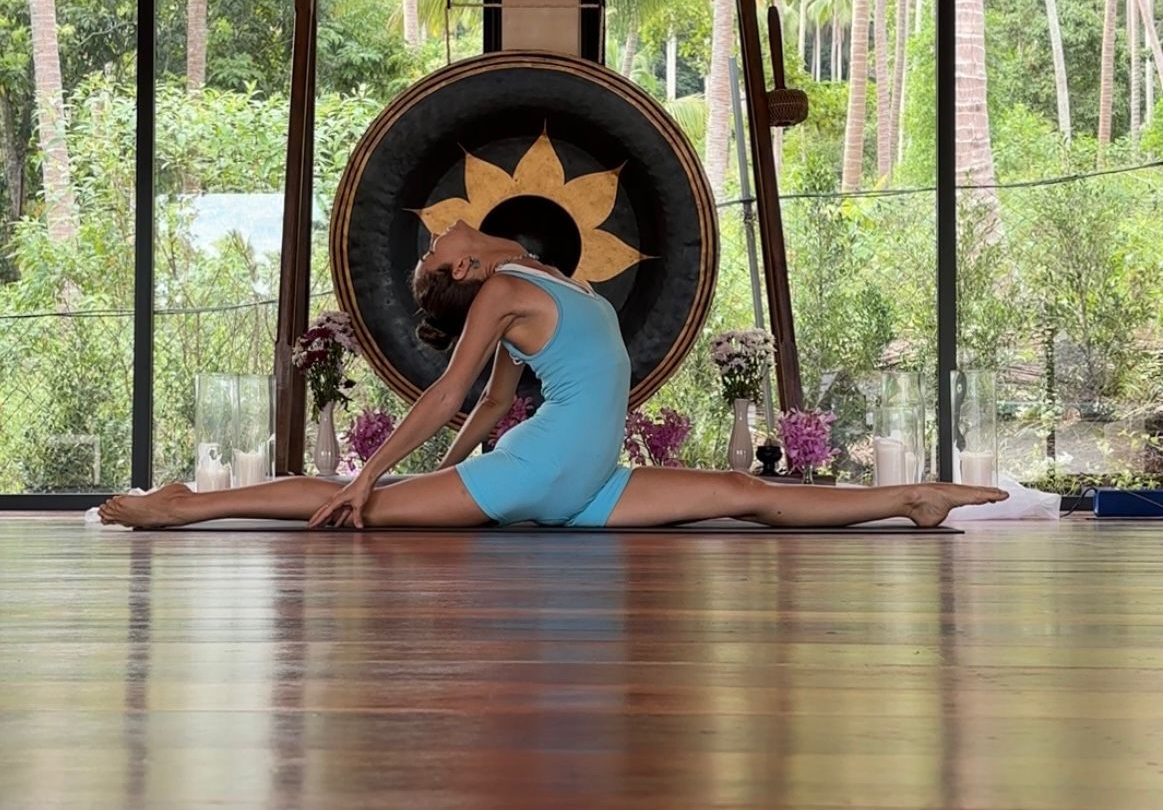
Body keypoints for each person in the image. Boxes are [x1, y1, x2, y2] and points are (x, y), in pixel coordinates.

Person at [99, 220, 1006, 530]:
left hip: (590, 483)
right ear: (462, 276)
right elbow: (455, 391)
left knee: (743, 490)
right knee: (352, 503)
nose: (436, 238)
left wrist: (440, 472)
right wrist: (378, 474)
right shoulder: (494, 287)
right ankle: (176, 506)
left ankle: (910, 499)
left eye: (430, 249)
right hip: (541, 472)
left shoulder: (525, 267)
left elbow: (498, 399)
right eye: (433, 255)